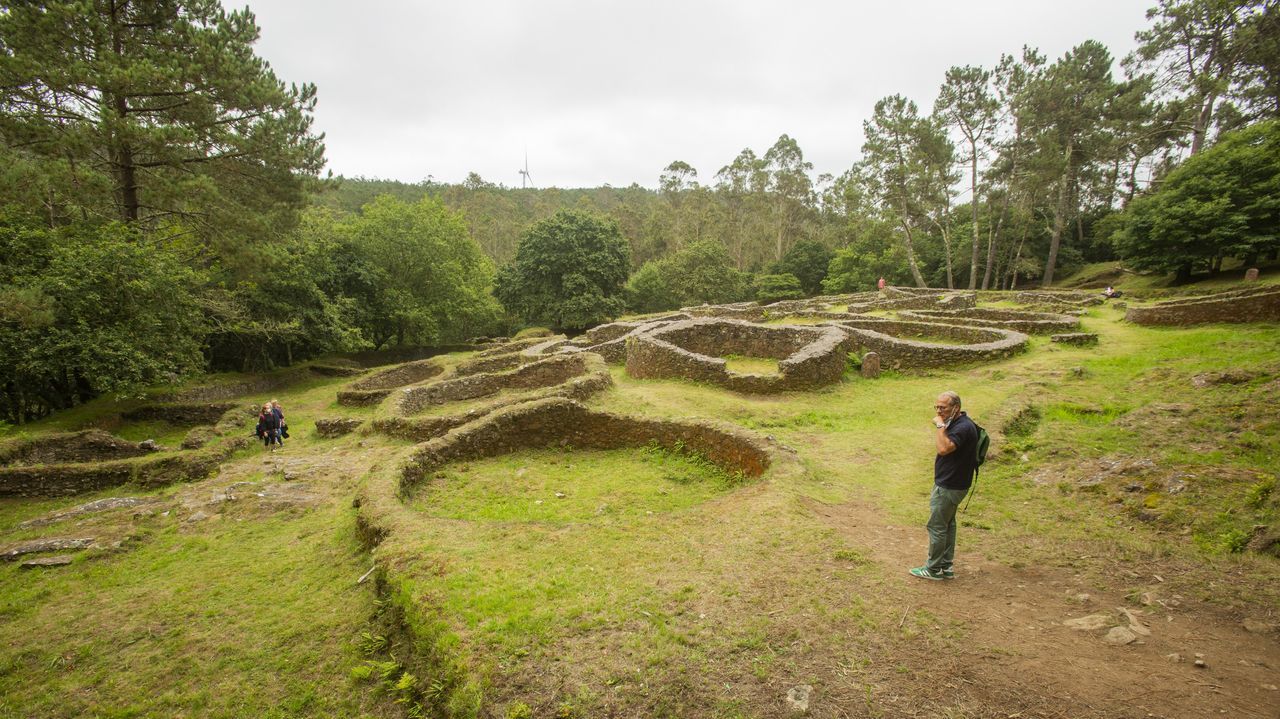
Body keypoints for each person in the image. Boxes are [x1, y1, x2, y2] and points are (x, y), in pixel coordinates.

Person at [910, 391, 978, 581]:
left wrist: (940, 425)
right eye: (937, 407)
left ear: (956, 408)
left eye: (943, 408)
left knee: (937, 526)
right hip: (956, 484)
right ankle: (945, 566)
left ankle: (933, 569)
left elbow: (943, 448)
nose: (939, 411)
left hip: (949, 485)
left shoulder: (963, 427)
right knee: (948, 524)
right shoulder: (960, 423)